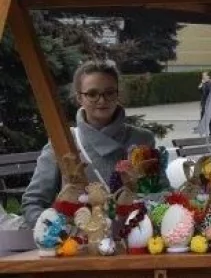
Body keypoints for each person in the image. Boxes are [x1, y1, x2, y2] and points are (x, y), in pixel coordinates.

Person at [22, 60, 157, 226]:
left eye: (109, 93)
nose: (102, 100)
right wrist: (56, 230)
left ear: (118, 94)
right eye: (92, 94)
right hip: (79, 247)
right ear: (79, 97)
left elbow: (158, 194)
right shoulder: (63, 141)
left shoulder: (142, 140)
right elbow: (33, 203)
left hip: (134, 241)